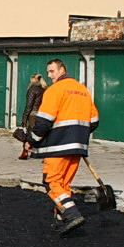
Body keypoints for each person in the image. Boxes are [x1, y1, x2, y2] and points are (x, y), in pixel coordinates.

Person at [24, 59, 99, 235]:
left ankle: (72, 214)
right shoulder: (82, 90)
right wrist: (78, 134)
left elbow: (43, 122)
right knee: (64, 183)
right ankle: (61, 219)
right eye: (48, 72)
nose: (49, 76)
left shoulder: (55, 90)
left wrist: (32, 140)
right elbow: (94, 121)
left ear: (62, 70)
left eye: (52, 71)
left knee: (51, 182)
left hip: (58, 145)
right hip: (78, 146)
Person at [17, 73, 47, 160]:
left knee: (31, 133)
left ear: (34, 79)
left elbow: (29, 105)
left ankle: (26, 152)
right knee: (36, 133)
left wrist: (24, 118)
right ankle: (28, 152)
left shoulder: (32, 89)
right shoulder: (45, 89)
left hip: (33, 114)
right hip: (42, 113)